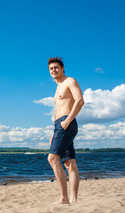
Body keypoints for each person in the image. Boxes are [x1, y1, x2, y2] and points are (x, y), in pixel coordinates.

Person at [47, 57, 84, 205]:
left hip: (66, 122)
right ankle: (74, 200)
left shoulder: (70, 81)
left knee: (52, 158)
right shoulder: (57, 87)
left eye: (56, 67)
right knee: (69, 163)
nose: (53, 70)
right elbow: (59, 109)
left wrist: (67, 121)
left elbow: (80, 101)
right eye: (51, 69)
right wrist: (54, 132)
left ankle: (64, 198)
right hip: (59, 125)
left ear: (62, 68)